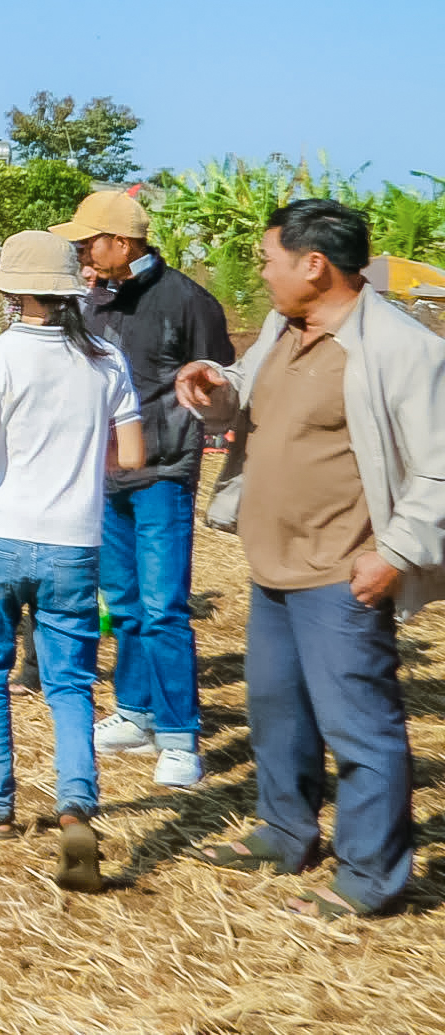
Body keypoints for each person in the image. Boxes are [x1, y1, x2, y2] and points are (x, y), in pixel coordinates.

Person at [175, 198, 445, 921]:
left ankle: (370, 876)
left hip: (342, 571)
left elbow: (439, 467)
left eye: (270, 259)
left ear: (314, 264)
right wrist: (216, 388)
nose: (263, 272)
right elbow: (244, 390)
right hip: (274, 565)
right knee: (277, 713)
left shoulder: (401, 350)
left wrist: (393, 554)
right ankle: (286, 830)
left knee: (360, 727)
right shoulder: (283, 327)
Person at [0, 231, 143, 894]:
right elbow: (133, 456)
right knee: (69, 683)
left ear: (11, 289)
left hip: (1, 535)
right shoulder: (107, 358)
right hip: (74, 543)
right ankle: (76, 803)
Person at [43, 190, 232, 788]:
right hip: (105, 475)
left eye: (87, 241)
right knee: (122, 605)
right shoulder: (90, 301)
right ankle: (135, 711)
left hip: (163, 476)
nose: (79, 251)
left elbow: (221, 383)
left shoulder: (188, 302)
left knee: (163, 610)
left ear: (123, 243)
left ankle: (180, 736)